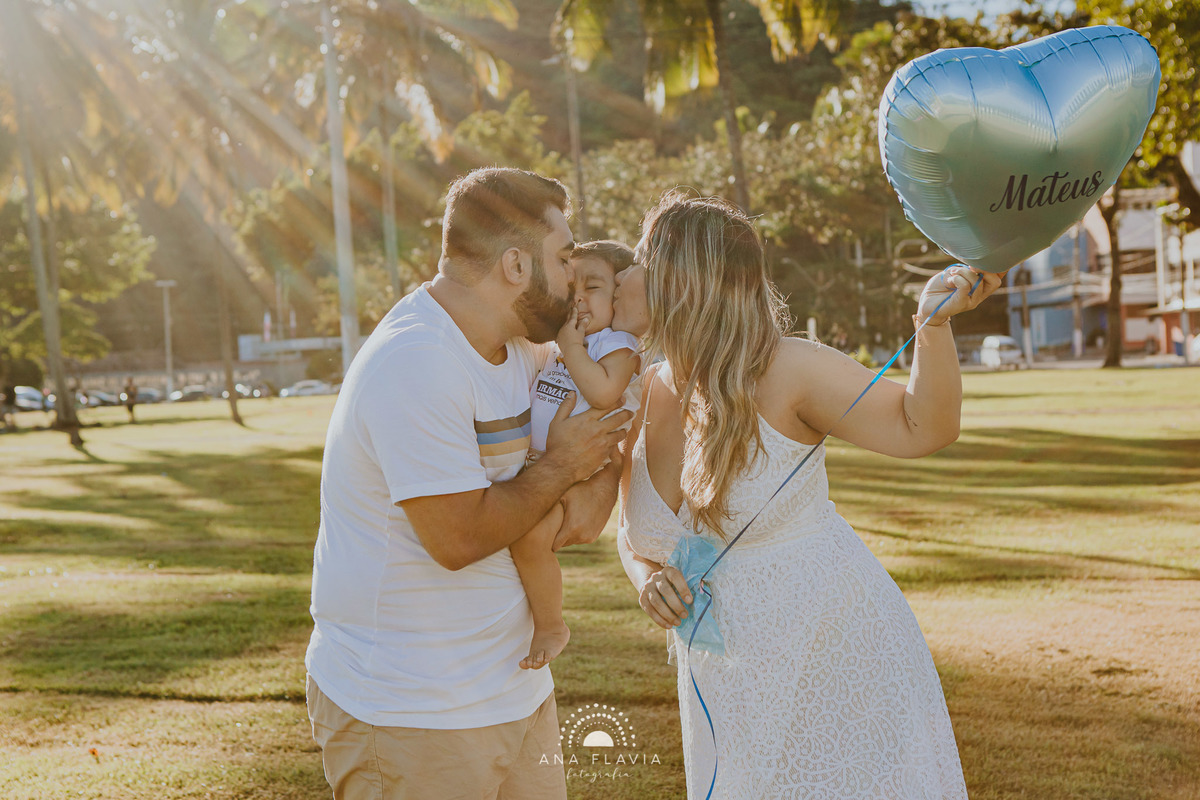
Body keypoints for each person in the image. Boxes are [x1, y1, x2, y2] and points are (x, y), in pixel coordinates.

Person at [613, 193, 1003, 799]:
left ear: (679, 280)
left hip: (830, 646)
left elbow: (922, 427)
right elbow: (636, 533)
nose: (624, 274)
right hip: (727, 666)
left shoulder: (788, 368)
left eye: (641, 259)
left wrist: (934, 326)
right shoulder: (650, 386)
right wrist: (645, 578)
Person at [304, 167, 632, 800]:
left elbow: (596, 487)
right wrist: (562, 469)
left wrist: (588, 475)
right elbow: (457, 538)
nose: (572, 279)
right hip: (410, 710)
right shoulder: (417, 362)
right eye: (563, 258)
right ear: (515, 265)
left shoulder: (526, 351)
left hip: (516, 690)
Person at [514, 240, 643, 670]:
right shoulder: (563, 340)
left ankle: (551, 624)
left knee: (530, 538)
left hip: (581, 473)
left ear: (619, 296)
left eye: (594, 287)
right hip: (542, 465)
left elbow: (605, 392)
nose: (580, 299)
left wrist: (571, 348)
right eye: (573, 289)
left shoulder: (617, 343)